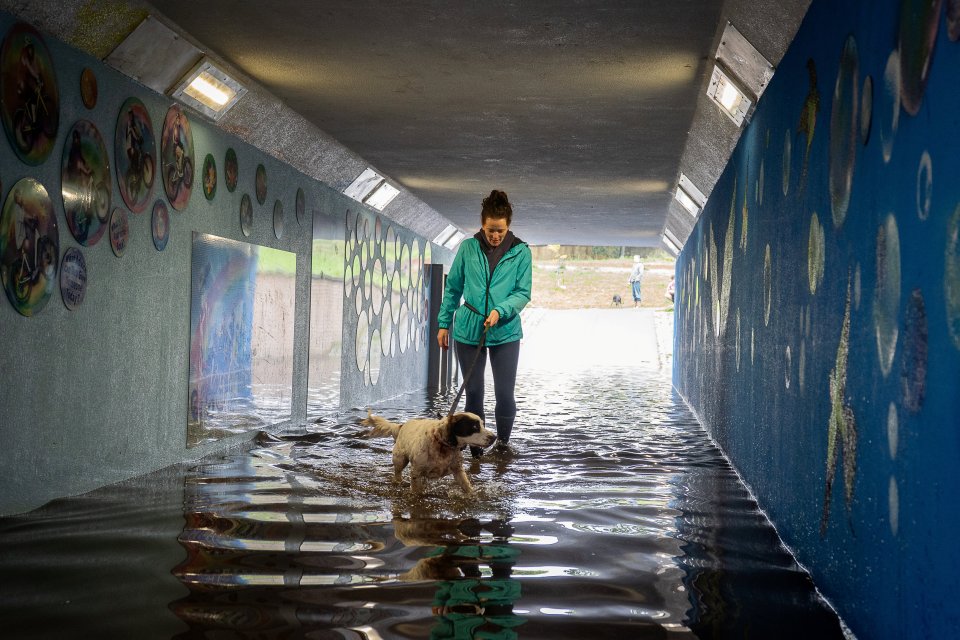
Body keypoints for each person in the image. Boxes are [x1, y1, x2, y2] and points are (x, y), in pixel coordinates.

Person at [437, 190, 532, 456]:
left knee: (504, 393)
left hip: (505, 331)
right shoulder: (468, 248)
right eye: (491, 229)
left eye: (500, 230)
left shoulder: (521, 252)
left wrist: (500, 311)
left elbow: (523, 293)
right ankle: (476, 454)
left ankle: (502, 446)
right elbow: (453, 288)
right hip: (469, 330)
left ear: (508, 226)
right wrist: (444, 323)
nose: (495, 235)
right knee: (474, 392)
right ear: (482, 224)